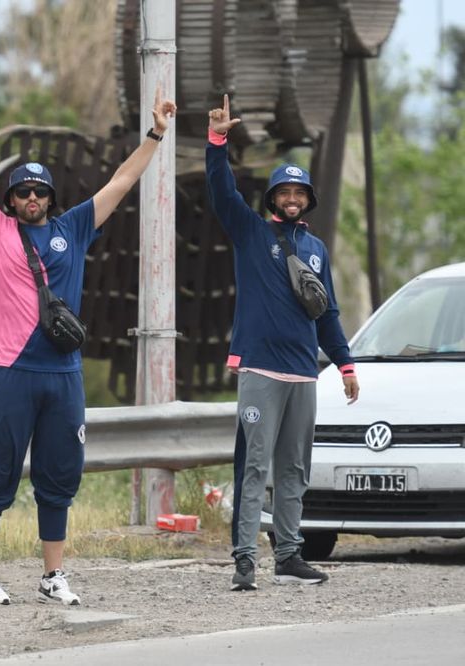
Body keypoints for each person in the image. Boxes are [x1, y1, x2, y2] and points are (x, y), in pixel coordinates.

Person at [0, 67, 177, 605]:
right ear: (11, 200)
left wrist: (155, 134)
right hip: (13, 372)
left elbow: (122, 182)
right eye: (22, 191)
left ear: (50, 197)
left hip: (63, 373)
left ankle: (52, 575)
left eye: (39, 190)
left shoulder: (75, 228)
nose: (31, 197)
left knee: (59, 476)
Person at [206, 94, 360, 591]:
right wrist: (217, 141)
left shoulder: (315, 248)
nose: (291, 199)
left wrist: (346, 364)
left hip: (303, 372)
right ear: (272, 199)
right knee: (255, 468)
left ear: (307, 199)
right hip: (260, 370)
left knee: (295, 469)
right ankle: (245, 559)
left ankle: (290, 555)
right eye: (283, 192)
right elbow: (221, 192)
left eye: (299, 192)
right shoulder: (252, 233)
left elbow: (329, 313)